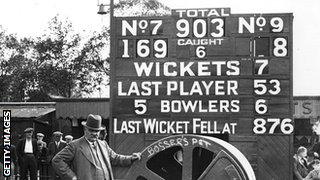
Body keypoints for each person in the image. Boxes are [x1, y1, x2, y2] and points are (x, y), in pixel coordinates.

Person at [52, 114, 141, 180]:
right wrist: (72, 177)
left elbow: (115, 158)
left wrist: (131, 158)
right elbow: (57, 160)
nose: (94, 133)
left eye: (97, 131)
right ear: (85, 129)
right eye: (91, 130)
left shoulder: (103, 144)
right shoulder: (75, 145)